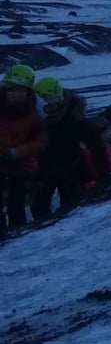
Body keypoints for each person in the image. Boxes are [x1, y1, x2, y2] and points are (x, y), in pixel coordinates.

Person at [32, 76, 111, 218]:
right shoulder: (35, 120)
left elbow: (97, 147)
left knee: (70, 205)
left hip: (71, 167)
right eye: (46, 102)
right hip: (43, 170)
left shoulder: (74, 121)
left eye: (52, 101)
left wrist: (104, 175)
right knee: (39, 207)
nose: (49, 107)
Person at [0, 65, 46, 231]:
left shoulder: (34, 115)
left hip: (21, 165)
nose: (16, 94)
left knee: (16, 205)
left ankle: (17, 235)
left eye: (21, 90)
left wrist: (16, 152)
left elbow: (40, 141)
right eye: (13, 90)